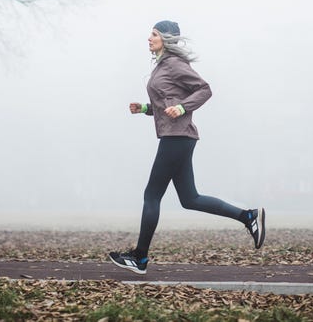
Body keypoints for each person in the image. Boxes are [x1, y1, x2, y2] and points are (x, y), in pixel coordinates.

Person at [109, 20, 266, 275]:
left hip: (177, 138)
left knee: (152, 195)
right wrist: (146, 108)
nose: (148, 38)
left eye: (154, 34)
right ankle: (248, 217)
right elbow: (167, 103)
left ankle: (140, 257)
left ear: (166, 39)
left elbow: (204, 90)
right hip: (177, 136)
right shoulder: (162, 66)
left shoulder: (174, 64)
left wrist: (183, 108)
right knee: (190, 199)